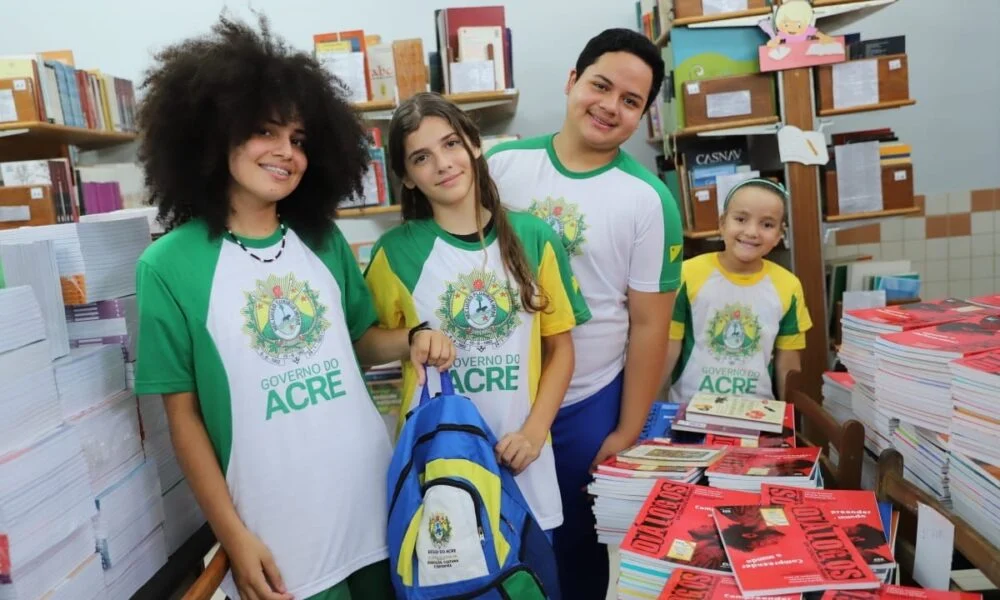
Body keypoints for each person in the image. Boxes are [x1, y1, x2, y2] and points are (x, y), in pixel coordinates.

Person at [132, 16, 454, 600]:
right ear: (214, 132)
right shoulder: (167, 267)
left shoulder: (323, 238)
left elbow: (360, 339)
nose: (287, 153)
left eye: (300, 139)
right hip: (280, 534)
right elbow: (183, 420)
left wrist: (410, 340)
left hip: (373, 501)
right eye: (266, 132)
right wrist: (233, 535)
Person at [485, 28, 684, 597]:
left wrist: (625, 430)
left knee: (576, 554)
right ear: (572, 81)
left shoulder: (648, 200)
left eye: (630, 102)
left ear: (643, 115)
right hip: (501, 397)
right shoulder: (502, 167)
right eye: (600, 86)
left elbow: (649, 325)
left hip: (587, 401)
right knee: (497, 544)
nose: (610, 107)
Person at [365, 92, 591, 554]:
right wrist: (413, 338)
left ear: (473, 144)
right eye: (422, 157)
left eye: (450, 144)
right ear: (406, 177)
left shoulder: (534, 237)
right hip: (439, 463)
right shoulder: (395, 252)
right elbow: (364, 346)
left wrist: (533, 433)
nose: (443, 164)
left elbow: (561, 349)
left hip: (523, 461)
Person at [664, 179, 812, 404]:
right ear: (722, 223)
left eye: (767, 224)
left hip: (758, 414)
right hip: (689, 410)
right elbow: (667, 350)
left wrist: (786, 422)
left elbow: (788, 365)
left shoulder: (788, 286)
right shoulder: (686, 274)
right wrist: (649, 414)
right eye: (741, 219)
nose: (752, 232)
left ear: (780, 234)